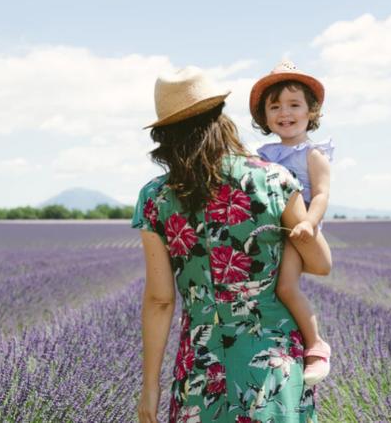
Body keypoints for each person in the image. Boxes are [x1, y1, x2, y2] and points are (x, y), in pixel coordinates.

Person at [133, 66, 332, 423]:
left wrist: (150, 387)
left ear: (165, 135)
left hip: (200, 364)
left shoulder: (155, 197)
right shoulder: (272, 178)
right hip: (272, 365)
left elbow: (160, 300)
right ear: (220, 118)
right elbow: (320, 264)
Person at [249, 61, 334, 387]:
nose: (285, 113)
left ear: (311, 112)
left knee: (286, 287)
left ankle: (316, 344)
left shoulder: (313, 154)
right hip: (272, 230)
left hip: (298, 231)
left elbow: (323, 195)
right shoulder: (263, 153)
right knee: (267, 290)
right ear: (265, 117)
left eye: (294, 105)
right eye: (275, 106)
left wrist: (309, 223)